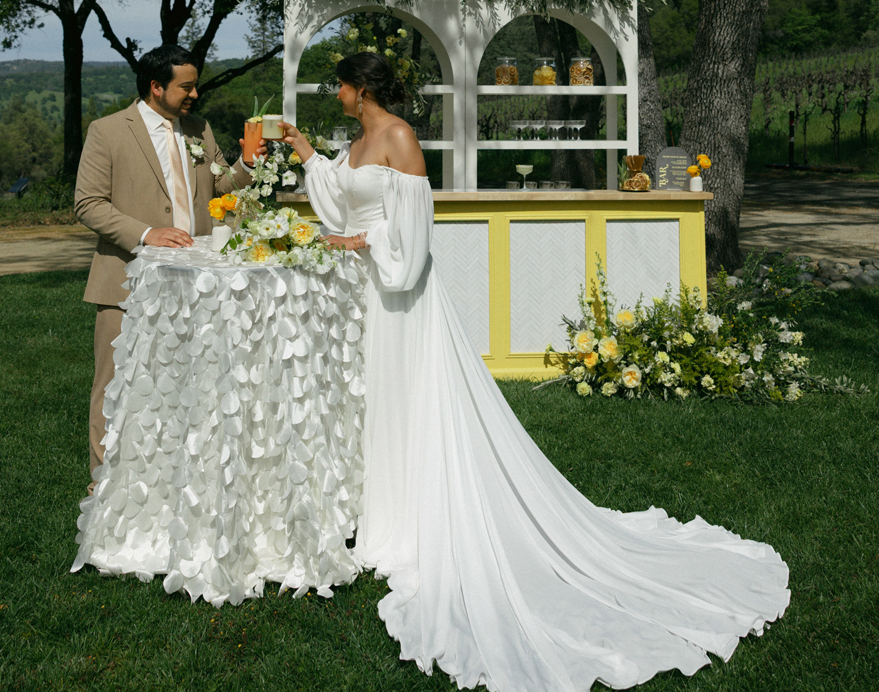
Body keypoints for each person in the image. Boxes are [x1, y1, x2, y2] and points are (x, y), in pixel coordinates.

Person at [279, 51, 789, 692]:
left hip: (399, 295)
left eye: (340, 88)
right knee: (379, 402)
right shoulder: (355, 142)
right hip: (367, 296)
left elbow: (413, 229)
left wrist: (360, 243)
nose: (337, 96)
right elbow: (340, 201)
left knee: (411, 400)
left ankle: (416, 516)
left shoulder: (399, 137)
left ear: (360, 89)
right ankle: (383, 506)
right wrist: (303, 150)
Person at [74, 43, 265, 489]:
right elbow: (88, 203)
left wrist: (247, 163)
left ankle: (171, 474)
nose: (195, 94)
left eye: (196, 86)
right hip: (125, 277)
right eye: (187, 86)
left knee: (184, 378)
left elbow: (223, 186)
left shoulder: (200, 129)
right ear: (156, 87)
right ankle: (105, 482)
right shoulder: (107, 131)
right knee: (116, 381)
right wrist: (146, 233)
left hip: (196, 280)